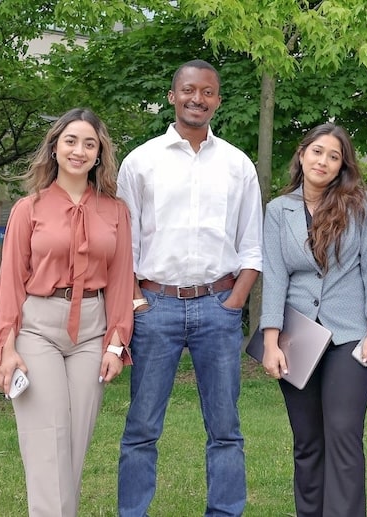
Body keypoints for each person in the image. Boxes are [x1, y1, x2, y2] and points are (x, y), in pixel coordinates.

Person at [116, 59, 263, 517]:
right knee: (141, 426)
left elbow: (251, 245)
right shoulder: (140, 162)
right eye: (188, 90)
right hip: (154, 306)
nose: (197, 99)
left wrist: (236, 301)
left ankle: (225, 511)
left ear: (218, 100)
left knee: (226, 428)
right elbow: (125, 243)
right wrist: (137, 300)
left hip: (218, 306)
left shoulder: (238, 165)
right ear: (172, 95)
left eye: (207, 92)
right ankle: (133, 512)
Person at [0, 107, 135, 516]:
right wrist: (6, 347)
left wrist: (116, 344)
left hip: (93, 330)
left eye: (90, 143)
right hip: (38, 329)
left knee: (72, 445)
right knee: (46, 442)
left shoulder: (115, 211)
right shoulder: (27, 208)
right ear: (55, 148)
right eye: (71, 141)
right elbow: (11, 283)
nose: (79, 150)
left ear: (99, 153)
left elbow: (123, 280)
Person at [260, 123, 367, 517]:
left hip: (351, 334)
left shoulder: (361, 204)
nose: (324, 161)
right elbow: (276, 275)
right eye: (317, 152)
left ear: (341, 166)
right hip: (297, 336)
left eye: (334, 156)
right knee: (307, 441)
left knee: (344, 435)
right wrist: (271, 340)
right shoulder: (278, 210)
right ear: (302, 154)